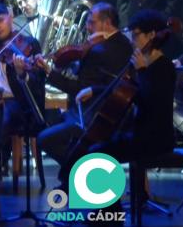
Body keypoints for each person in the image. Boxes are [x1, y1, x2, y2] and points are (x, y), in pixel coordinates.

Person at [54, 10, 175, 198]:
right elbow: (126, 89)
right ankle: (98, 210)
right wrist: (94, 90)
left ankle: (108, 216)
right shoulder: (145, 63)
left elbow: (151, 104)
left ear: (151, 35)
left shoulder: (163, 67)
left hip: (156, 139)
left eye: (136, 35)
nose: (133, 40)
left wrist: (142, 71)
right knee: (96, 146)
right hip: (140, 133)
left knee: (96, 153)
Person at [35, 3, 133, 168]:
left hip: (92, 117)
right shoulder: (124, 43)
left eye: (91, 22)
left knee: (44, 138)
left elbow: (79, 89)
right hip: (118, 116)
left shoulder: (98, 50)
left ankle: (79, 173)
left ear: (107, 23)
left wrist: (49, 72)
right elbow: (100, 77)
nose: (87, 27)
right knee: (56, 121)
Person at [0, 4, 46, 136]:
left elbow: (38, 83)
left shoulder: (29, 43)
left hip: (18, 102)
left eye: (0, 20)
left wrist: (22, 73)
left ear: (10, 17)